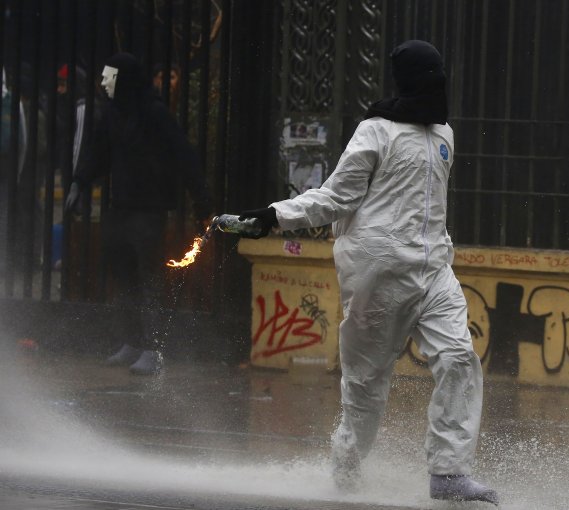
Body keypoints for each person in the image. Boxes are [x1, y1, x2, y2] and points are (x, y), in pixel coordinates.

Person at [239, 40, 498, 505]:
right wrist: (274, 215)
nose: (440, 82)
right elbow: (335, 198)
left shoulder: (445, 136)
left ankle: (449, 472)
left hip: (435, 272)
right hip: (377, 276)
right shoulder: (374, 132)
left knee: (460, 358)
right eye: (432, 73)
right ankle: (347, 467)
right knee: (365, 384)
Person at [65, 53, 213, 375]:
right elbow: (97, 152)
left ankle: (153, 348)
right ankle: (132, 342)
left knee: (149, 278)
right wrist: (79, 182)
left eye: (110, 76)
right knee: (124, 275)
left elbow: (184, 156)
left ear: (124, 80)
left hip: (149, 210)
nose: (104, 82)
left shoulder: (153, 114)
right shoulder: (113, 115)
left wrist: (202, 203)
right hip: (121, 207)